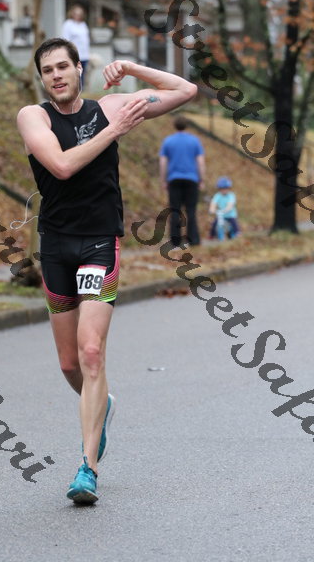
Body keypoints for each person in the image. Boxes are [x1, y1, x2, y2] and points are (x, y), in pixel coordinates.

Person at [16, 37, 197, 505]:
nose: (56, 75)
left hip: (99, 242)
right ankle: (103, 405)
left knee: (92, 352)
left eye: (64, 66)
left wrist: (132, 68)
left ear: (80, 69)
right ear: (42, 78)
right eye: (48, 70)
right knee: (69, 363)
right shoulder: (34, 117)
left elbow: (184, 90)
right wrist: (113, 131)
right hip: (56, 246)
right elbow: (61, 166)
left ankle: (87, 468)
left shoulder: (110, 106)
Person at [159, 116, 205, 247]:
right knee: (191, 210)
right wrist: (201, 179)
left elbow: (163, 162)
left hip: (174, 179)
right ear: (187, 126)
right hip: (191, 179)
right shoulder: (195, 141)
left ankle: (175, 241)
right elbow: (200, 162)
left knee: (175, 211)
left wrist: (163, 180)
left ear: (175, 126)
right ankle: (193, 240)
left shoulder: (168, 141)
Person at [61, 5, 90, 85]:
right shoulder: (68, 24)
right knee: (74, 74)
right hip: (74, 55)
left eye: (79, 14)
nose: (78, 16)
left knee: (82, 75)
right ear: (72, 13)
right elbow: (65, 40)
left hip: (84, 55)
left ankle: (81, 90)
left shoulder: (83, 24)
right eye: (76, 14)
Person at [209, 176, 240, 240]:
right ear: (219, 189)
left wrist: (227, 209)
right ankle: (212, 235)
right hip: (221, 215)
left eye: (226, 188)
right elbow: (213, 203)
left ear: (229, 188)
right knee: (214, 223)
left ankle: (237, 233)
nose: (224, 190)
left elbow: (230, 204)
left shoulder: (231, 195)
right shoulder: (217, 195)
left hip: (230, 214)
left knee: (234, 223)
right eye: (222, 189)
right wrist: (212, 209)